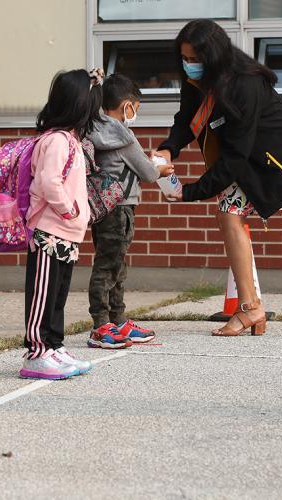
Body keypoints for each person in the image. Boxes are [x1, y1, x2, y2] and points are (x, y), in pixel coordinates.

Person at [153, 19, 282, 337]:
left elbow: (234, 159)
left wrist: (188, 193)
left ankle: (250, 308)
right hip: (248, 160)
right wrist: (169, 148)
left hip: (274, 164)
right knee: (229, 214)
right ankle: (252, 308)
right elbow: (187, 118)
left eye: (195, 60)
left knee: (230, 214)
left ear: (213, 57)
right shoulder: (201, 80)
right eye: (184, 59)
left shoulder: (244, 84)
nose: (189, 67)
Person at [19, 69, 101, 380]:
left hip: (65, 233)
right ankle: (38, 351)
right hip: (49, 230)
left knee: (58, 292)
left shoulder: (70, 140)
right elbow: (48, 182)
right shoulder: (55, 141)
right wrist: (69, 210)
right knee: (43, 292)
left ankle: (53, 345)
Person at [86, 73, 175, 349]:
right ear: (126, 105)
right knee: (111, 267)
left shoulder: (95, 128)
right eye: (135, 107)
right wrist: (161, 168)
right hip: (121, 208)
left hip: (103, 209)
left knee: (113, 263)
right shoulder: (123, 136)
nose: (136, 113)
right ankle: (101, 325)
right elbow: (148, 173)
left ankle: (117, 319)